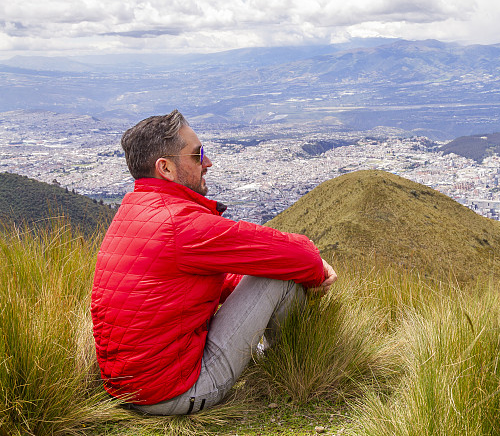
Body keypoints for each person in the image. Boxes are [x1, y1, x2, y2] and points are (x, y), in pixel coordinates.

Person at [90, 110, 336, 415]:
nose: (207, 162)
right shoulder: (180, 223)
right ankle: (288, 370)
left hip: (129, 387)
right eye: (197, 154)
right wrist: (317, 271)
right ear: (165, 168)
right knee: (281, 275)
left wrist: (248, 286)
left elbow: (200, 281)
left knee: (272, 271)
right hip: (176, 393)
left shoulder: (135, 211)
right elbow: (300, 257)